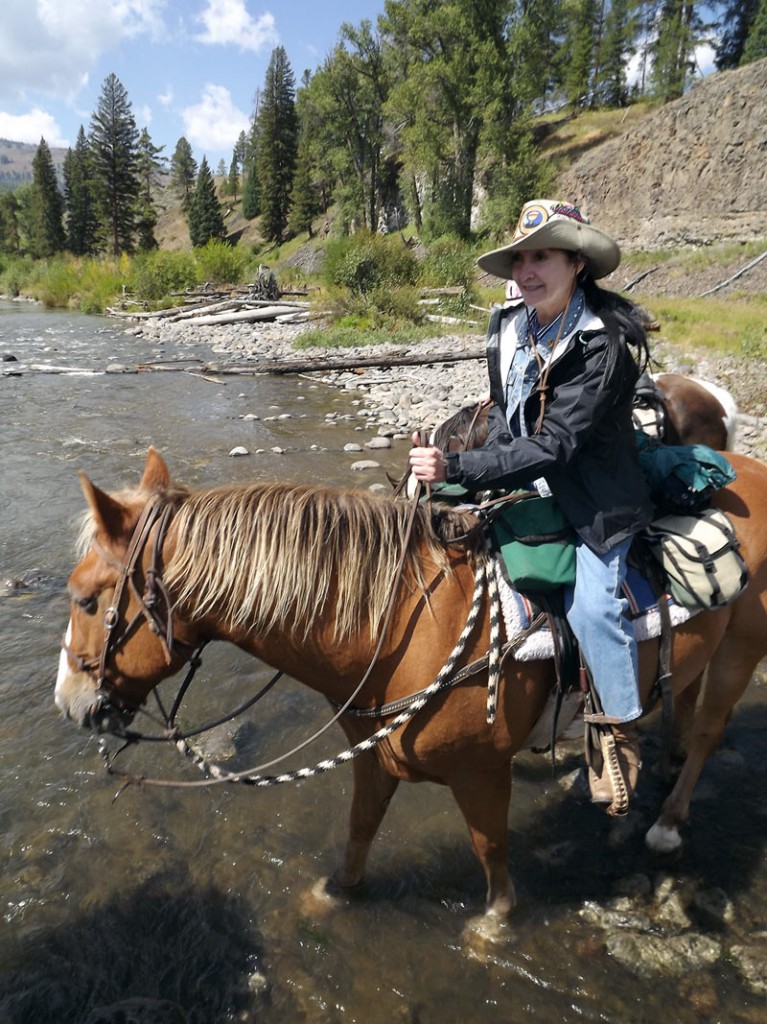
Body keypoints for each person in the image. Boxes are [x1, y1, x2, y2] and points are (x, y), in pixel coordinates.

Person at [409, 198, 655, 815]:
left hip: (593, 497)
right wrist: (454, 469)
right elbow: (505, 414)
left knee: (594, 606)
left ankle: (619, 731)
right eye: (519, 259)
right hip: (528, 473)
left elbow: (557, 445)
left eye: (541, 256)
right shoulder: (508, 327)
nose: (526, 270)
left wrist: (460, 467)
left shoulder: (602, 346)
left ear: (576, 262)